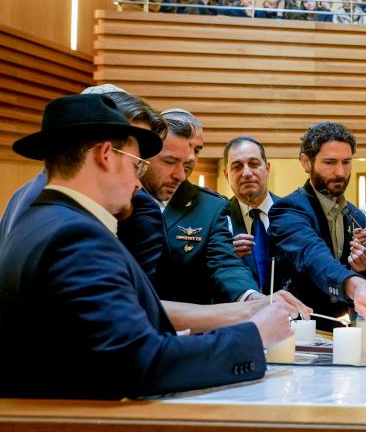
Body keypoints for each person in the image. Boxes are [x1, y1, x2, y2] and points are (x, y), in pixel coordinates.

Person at [0, 94, 292, 399]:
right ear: (105, 155)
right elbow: (139, 364)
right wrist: (253, 336)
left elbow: (96, 342)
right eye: (137, 165)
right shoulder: (76, 238)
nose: (139, 183)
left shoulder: (38, 219)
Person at [269, 122, 366, 327]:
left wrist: (362, 268)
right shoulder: (288, 210)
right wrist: (353, 283)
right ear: (306, 162)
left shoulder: (356, 216)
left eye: (346, 162)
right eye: (330, 162)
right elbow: (312, 255)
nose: (340, 172)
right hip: (297, 327)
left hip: (340, 330)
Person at [144, 110, 263, 305]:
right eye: (170, 161)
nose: (190, 158)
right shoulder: (122, 197)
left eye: (197, 150)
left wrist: (251, 297)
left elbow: (225, 263)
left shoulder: (211, 206)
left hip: (193, 323)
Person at [223, 136, 278, 293]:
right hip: (238, 313)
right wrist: (225, 256)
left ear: (267, 168)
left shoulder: (291, 212)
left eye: (254, 164)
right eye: (237, 167)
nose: (246, 173)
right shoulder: (217, 218)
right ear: (227, 175)